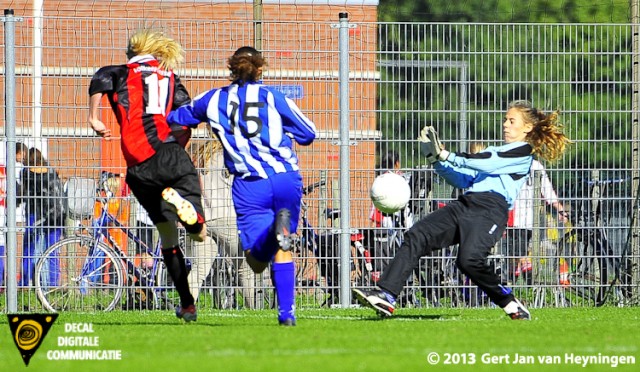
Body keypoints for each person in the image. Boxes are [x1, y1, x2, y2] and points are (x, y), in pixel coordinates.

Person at [353, 100, 571, 320]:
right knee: (417, 235)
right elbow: (464, 178)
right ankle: (386, 294)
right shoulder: (498, 151)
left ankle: (509, 302)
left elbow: (485, 163)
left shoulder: (523, 151)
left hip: (490, 211)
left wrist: (447, 155)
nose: (505, 124)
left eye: (511, 120)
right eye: (505, 119)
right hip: (465, 204)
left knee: (469, 261)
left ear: (527, 128)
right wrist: (437, 160)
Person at [167, 46, 317, 325]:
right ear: (260, 70)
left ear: (231, 70)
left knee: (255, 261)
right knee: (284, 247)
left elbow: (178, 117)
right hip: (286, 178)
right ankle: (287, 314)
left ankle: (274, 233)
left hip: (250, 184)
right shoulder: (273, 96)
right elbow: (309, 133)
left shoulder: (213, 100)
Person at [88, 28, 207, 322]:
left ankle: (187, 305)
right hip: (171, 157)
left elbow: (100, 78)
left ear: (132, 52)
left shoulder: (118, 72)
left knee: (168, 239)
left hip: (139, 168)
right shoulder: (169, 76)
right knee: (200, 234)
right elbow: (186, 118)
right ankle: (186, 210)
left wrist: (93, 117)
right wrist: (177, 148)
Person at [187, 139, 260, 309]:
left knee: (198, 271)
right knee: (245, 269)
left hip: (205, 219)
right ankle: (255, 310)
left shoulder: (202, 156)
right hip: (227, 218)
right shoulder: (231, 155)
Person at [502, 158, 568, 286]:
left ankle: (529, 285)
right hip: (513, 218)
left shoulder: (534, 165)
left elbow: (547, 190)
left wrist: (560, 209)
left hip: (521, 219)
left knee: (518, 255)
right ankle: (516, 287)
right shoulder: (510, 162)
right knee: (513, 256)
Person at [17, 147, 66, 288]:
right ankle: (51, 284)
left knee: (29, 250)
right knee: (52, 250)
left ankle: (25, 283)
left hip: (34, 213)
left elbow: (22, 194)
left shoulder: (26, 174)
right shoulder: (51, 172)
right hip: (54, 215)